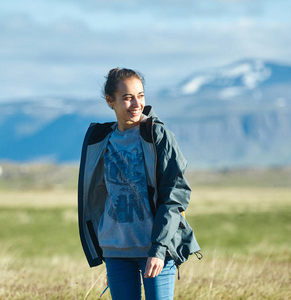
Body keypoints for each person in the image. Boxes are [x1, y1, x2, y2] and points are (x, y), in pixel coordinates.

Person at [78, 68, 201, 300]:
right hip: (115, 250)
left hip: (155, 249)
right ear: (109, 101)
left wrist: (159, 248)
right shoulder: (101, 140)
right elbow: (98, 195)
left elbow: (175, 194)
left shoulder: (157, 135)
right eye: (127, 98)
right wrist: (103, 246)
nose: (137, 104)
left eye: (140, 96)